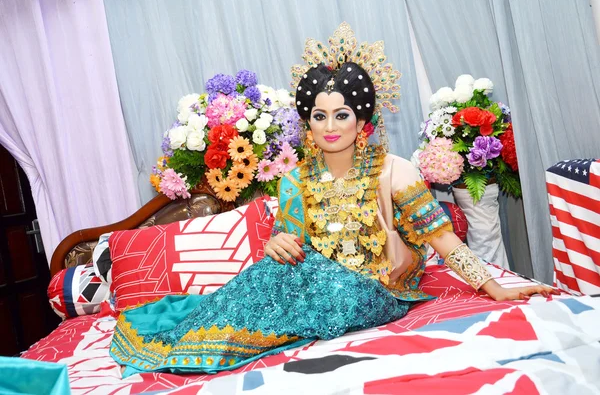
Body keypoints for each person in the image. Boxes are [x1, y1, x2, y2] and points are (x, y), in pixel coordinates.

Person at [110, 23, 556, 377]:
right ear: (307, 123)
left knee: (337, 289)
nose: (330, 126)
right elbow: (291, 242)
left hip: (375, 289)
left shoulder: (393, 170)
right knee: (261, 280)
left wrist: (494, 286)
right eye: (319, 116)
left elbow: (443, 240)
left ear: (362, 119)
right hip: (311, 277)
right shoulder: (293, 180)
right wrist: (278, 244)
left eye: (341, 114)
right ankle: (197, 341)